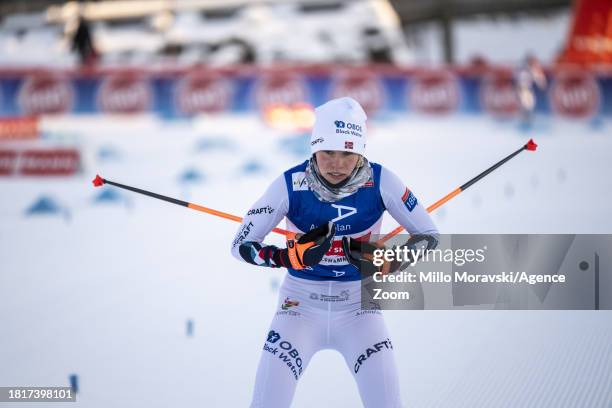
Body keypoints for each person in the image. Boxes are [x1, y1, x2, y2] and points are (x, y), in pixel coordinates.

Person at [231, 97, 439, 407]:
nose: (336, 164)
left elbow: (429, 236)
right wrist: (286, 257)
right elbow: (240, 246)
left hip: (359, 310)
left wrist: (388, 261)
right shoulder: (290, 184)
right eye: (327, 152)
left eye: (347, 153)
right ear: (314, 147)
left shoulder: (383, 182)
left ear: (360, 152)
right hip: (298, 309)